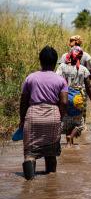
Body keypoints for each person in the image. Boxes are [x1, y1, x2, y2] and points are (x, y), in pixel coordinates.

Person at [19, 46, 68, 180]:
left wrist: (22, 120)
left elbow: (23, 102)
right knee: (51, 154)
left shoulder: (30, 78)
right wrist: (60, 117)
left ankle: (29, 184)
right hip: (52, 116)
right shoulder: (61, 80)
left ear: (40, 61)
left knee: (30, 153)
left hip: (33, 115)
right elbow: (64, 102)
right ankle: (51, 184)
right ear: (55, 62)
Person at [56, 46, 91, 146]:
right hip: (78, 99)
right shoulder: (83, 69)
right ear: (80, 57)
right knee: (79, 123)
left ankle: (69, 143)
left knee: (67, 120)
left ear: (69, 55)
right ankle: (71, 137)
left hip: (64, 97)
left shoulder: (61, 67)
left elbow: (56, 82)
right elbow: (89, 87)